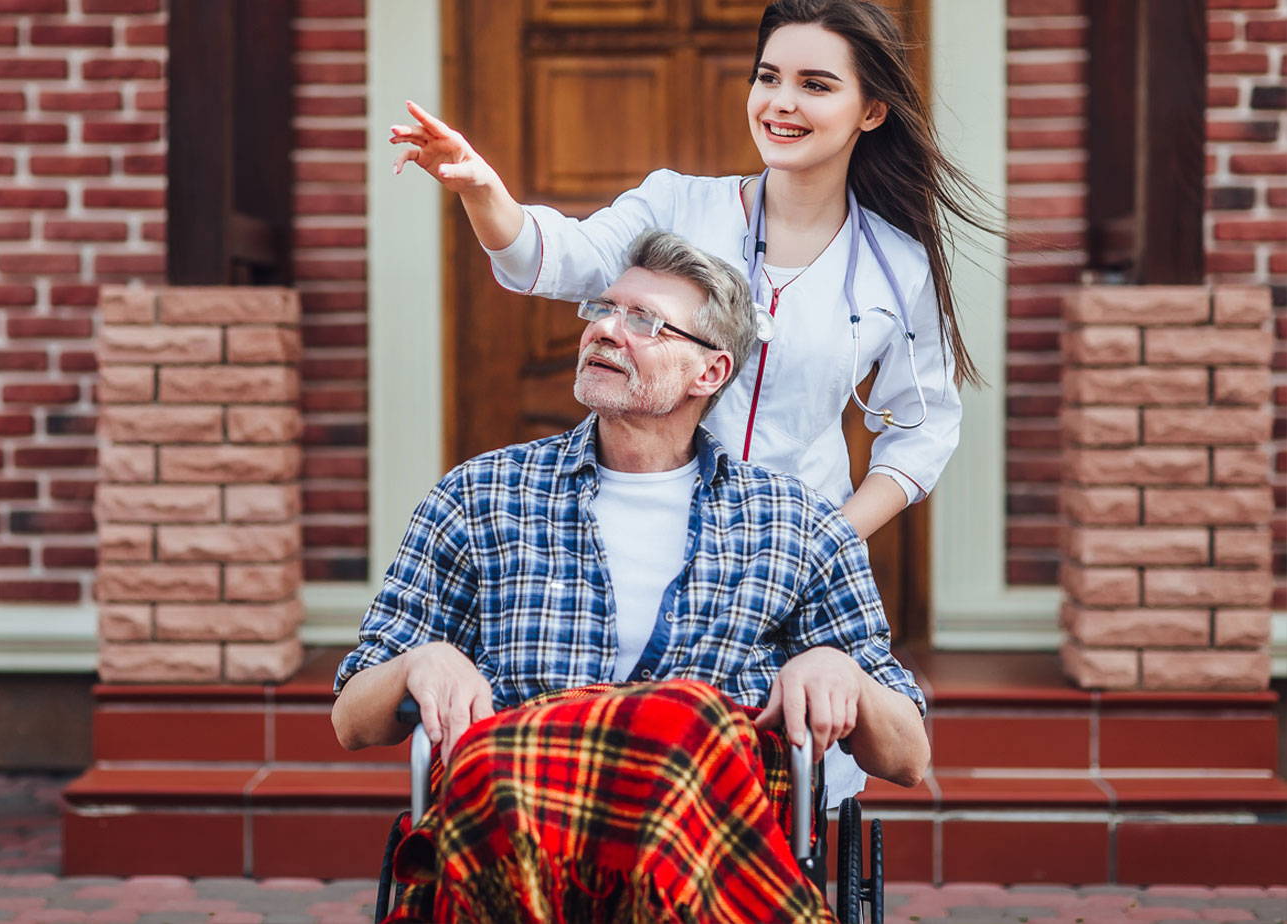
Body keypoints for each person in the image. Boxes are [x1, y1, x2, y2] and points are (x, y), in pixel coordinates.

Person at [388, 0, 986, 805]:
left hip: (781, 569)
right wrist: (483, 189)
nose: (781, 102)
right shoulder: (678, 204)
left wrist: (820, 541)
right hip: (646, 524)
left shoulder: (898, 266)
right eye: (768, 77)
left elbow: (920, 434)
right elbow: (561, 257)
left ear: (870, 110)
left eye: (815, 84)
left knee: (766, 781)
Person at [332, 231, 927, 924]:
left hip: (702, 868)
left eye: (643, 321)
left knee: (690, 723)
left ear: (709, 373)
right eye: (604, 309)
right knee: (681, 719)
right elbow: (352, 720)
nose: (606, 330)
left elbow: (907, 758)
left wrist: (841, 672)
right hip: (518, 855)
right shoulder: (480, 496)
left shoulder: (796, 525)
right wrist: (421, 663)